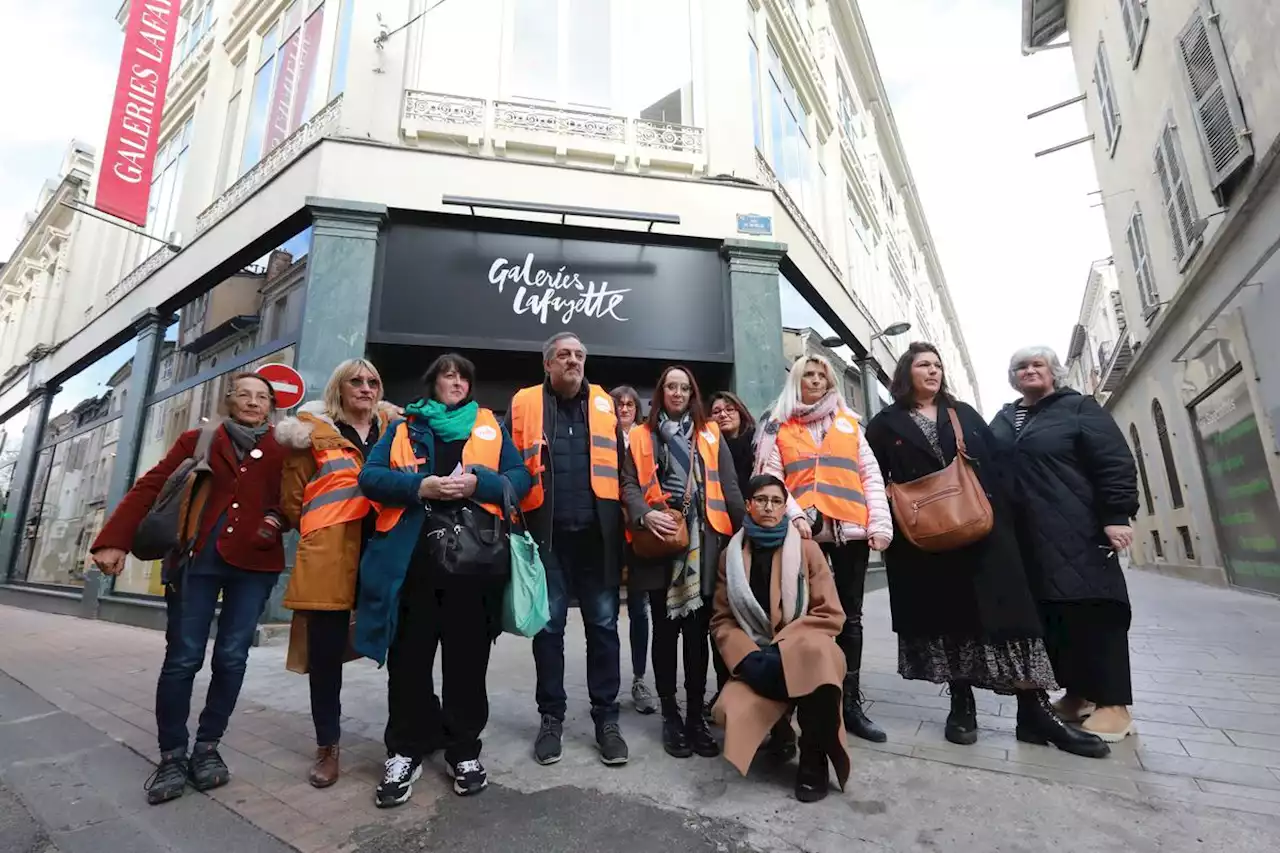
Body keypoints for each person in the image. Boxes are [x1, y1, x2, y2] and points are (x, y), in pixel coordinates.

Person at [864, 343, 1107, 758]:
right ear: (906, 372)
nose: (934, 371)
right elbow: (870, 477)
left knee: (1013, 622)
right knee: (949, 621)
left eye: (938, 365)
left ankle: (1034, 712)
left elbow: (998, 467)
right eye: (925, 365)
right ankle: (962, 706)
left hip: (984, 532)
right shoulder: (885, 423)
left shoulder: (963, 414)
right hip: (924, 540)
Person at [90, 372, 289, 805]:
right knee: (183, 657)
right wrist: (113, 538)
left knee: (233, 656)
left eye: (262, 397)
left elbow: (295, 498)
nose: (254, 402)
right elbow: (151, 487)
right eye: (245, 394)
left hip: (255, 563)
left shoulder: (284, 445)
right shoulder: (199, 439)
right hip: (195, 560)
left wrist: (276, 520)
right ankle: (172, 754)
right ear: (230, 400)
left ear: (272, 405)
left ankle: (208, 748)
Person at [354, 353, 532, 804]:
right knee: (409, 662)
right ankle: (405, 750)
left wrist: (480, 484)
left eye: (463, 377)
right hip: (413, 566)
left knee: (468, 663)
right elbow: (370, 478)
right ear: (433, 383)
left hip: (474, 568)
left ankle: (463, 750)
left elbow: (521, 479)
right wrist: (421, 488)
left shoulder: (489, 425)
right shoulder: (403, 426)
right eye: (448, 376)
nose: (456, 382)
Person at [990, 345, 1140, 744]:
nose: (1029, 371)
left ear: (1053, 372)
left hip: (1079, 531)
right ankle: (1077, 695)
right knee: (1054, 618)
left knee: (1096, 612)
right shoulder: (1005, 418)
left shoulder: (1078, 408)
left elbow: (1114, 461)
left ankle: (1113, 706)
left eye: (1037, 364)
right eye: (1020, 366)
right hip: (1025, 539)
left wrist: (1116, 515)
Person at [505, 333, 629, 766]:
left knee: (604, 628)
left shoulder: (604, 404)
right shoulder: (523, 404)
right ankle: (551, 718)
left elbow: (624, 469)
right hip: (547, 541)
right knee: (549, 630)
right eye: (564, 355)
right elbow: (508, 463)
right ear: (547, 364)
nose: (573, 360)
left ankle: (606, 719)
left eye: (579, 354)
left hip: (598, 539)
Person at [755, 354, 891, 743]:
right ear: (796, 380)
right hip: (804, 535)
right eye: (808, 374)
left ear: (830, 381)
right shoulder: (780, 425)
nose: (815, 379)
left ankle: (849, 704)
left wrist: (879, 525)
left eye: (821, 374)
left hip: (850, 532)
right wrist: (794, 515)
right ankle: (808, 699)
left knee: (851, 617)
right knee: (801, 618)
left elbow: (870, 475)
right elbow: (771, 477)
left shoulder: (849, 423)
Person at [275, 359, 398, 788]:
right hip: (331, 554)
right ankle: (328, 745)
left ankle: (407, 737)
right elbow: (293, 501)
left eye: (373, 382)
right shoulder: (310, 436)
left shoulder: (395, 429)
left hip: (386, 551)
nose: (366, 388)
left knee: (403, 650)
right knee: (326, 657)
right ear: (339, 389)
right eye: (356, 381)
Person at [620, 367, 745, 759]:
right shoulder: (640, 435)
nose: (677, 392)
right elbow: (625, 484)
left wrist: (747, 536)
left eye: (684, 387)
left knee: (695, 634)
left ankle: (694, 716)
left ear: (693, 393)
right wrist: (643, 513)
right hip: (658, 541)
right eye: (670, 386)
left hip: (704, 544)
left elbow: (730, 486)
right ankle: (670, 715)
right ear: (661, 392)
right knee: (664, 631)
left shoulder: (710, 434)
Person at [712, 474, 851, 803]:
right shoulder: (730, 556)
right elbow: (722, 619)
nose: (769, 507)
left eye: (776, 501)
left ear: (785, 506)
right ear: (749, 505)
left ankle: (813, 758)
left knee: (818, 662)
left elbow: (829, 613)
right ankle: (781, 735)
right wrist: (746, 658)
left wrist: (784, 648)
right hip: (756, 654)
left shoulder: (809, 550)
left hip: (804, 649)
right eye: (761, 499)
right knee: (729, 709)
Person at [611, 385, 657, 716]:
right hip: (608, 531)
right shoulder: (600, 436)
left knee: (639, 609)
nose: (625, 408)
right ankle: (608, 682)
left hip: (640, 531)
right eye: (619, 404)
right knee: (605, 612)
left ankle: (639, 679)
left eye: (630, 404)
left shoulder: (645, 437)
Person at [709, 391, 757, 494]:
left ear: (740, 413)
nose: (723, 415)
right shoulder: (708, 449)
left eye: (729, 409)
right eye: (716, 412)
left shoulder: (756, 443)